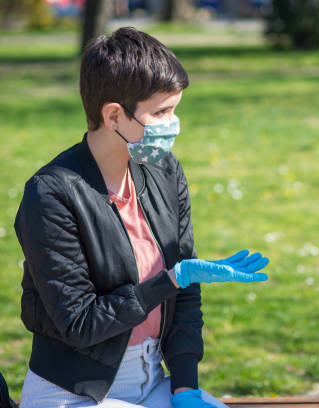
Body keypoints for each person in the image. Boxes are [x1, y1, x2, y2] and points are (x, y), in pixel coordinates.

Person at [14, 27, 269, 408]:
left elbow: (186, 296)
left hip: (154, 382)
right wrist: (170, 280)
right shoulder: (51, 195)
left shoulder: (164, 171)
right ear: (114, 115)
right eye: (162, 112)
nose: (173, 124)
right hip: (75, 393)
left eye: (175, 109)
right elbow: (81, 323)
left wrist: (185, 386)